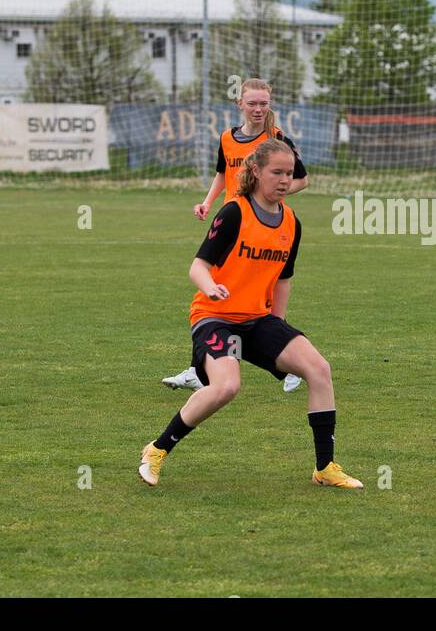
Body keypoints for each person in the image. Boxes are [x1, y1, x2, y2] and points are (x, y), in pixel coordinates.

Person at [140, 138, 361, 490]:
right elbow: (198, 267)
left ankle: (325, 467)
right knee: (227, 386)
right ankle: (157, 449)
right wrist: (211, 286)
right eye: (277, 172)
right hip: (215, 316)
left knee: (319, 369)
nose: (285, 179)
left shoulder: (291, 222)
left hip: (257, 319)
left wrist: (281, 327)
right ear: (256, 171)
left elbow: (283, 279)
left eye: (289, 173)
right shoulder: (234, 212)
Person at [163, 78, 309, 394]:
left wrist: (273, 198)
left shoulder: (277, 139)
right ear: (239, 104)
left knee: (261, 295)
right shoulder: (228, 138)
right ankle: (197, 371)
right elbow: (222, 174)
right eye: (253, 103)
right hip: (232, 222)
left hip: (263, 227)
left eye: (264, 103)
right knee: (214, 292)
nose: (259, 109)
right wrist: (207, 201)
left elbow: (302, 179)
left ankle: (289, 365)